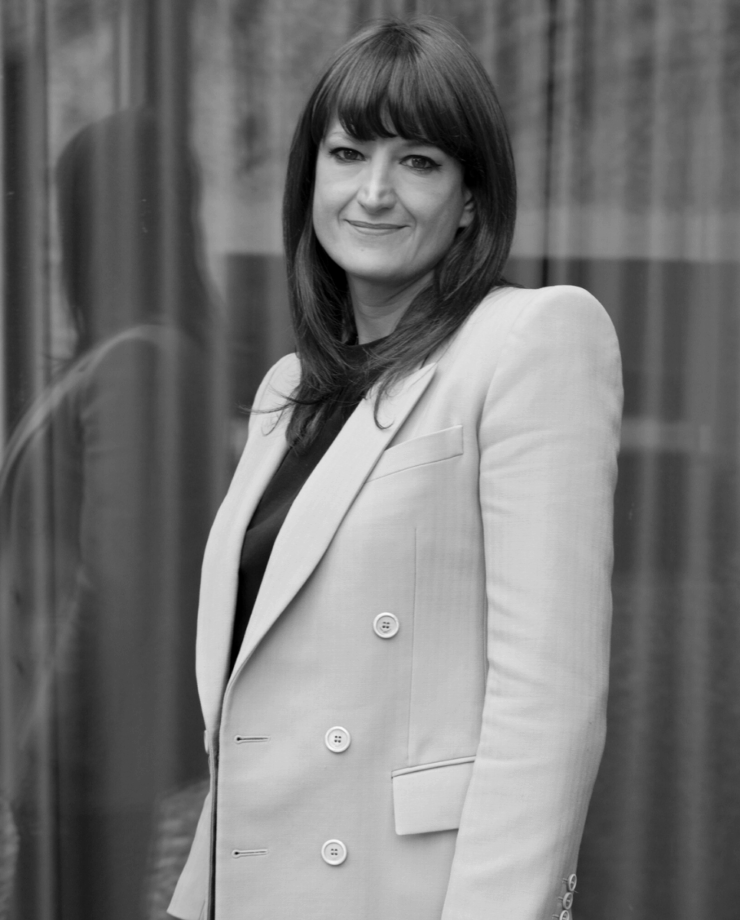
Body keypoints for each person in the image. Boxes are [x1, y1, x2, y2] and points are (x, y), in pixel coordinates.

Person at [168, 16, 622, 920]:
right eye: (348, 154)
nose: (374, 192)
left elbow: (549, 702)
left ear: (470, 199)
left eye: (418, 161)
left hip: (398, 890)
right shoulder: (288, 390)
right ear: (311, 178)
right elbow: (254, 698)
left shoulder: (530, 338)